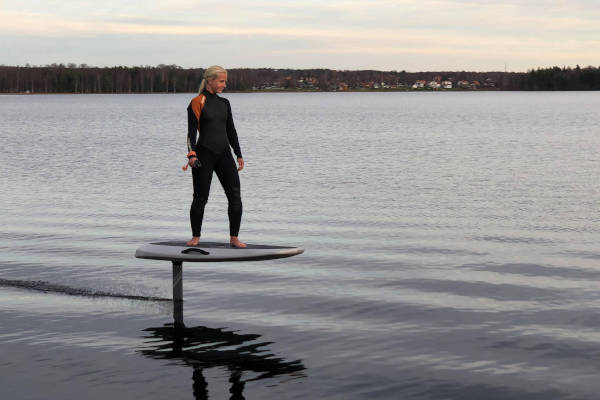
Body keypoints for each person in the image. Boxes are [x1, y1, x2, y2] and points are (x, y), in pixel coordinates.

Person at [185, 65, 246, 248]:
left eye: (225, 81)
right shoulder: (197, 102)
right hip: (204, 154)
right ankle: (196, 237)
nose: (224, 85)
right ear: (210, 80)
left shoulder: (224, 103)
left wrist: (238, 154)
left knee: (235, 196)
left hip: (224, 154)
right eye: (221, 81)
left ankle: (234, 238)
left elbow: (231, 130)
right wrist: (191, 154)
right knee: (201, 197)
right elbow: (190, 133)